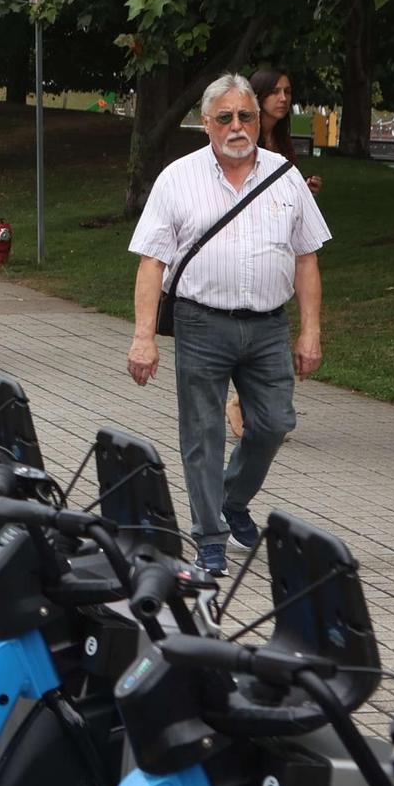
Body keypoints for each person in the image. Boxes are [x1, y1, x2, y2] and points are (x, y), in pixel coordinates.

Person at [126, 73, 330, 575]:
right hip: (201, 323)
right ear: (206, 123)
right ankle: (209, 536)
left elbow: (306, 258)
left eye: (246, 116)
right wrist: (143, 338)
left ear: (259, 121)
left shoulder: (285, 177)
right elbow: (152, 262)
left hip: (267, 326)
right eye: (225, 117)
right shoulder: (178, 179)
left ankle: (232, 499)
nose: (237, 126)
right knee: (203, 434)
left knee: (275, 423)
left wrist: (310, 332)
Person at [250, 67, 323, 194]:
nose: (283, 98)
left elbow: (288, 179)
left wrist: (305, 186)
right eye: (275, 92)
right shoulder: (246, 139)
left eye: (287, 92)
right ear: (258, 95)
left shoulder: (282, 139)